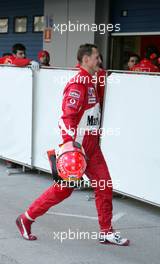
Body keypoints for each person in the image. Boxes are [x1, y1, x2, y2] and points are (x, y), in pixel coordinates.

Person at [16, 43, 130, 246]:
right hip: (79, 149)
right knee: (63, 190)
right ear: (86, 59)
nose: (100, 61)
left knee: (104, 186)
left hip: (92, 148)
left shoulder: (91, 80)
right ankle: (25, 219)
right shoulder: (78, 84)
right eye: (97, 58)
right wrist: (70, 147)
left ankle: (106, 231)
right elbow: (66, 118)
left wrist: (102, 78)